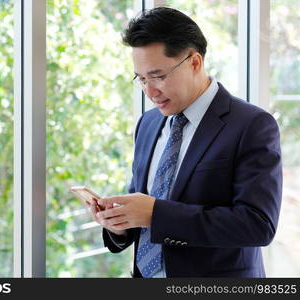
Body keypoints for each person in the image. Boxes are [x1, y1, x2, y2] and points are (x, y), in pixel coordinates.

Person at [87, 7, 282, 278]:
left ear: (194, 62)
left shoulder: (251, 125)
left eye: (158, 76)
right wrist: (118, 223)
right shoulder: (148, 124)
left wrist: (157, 214)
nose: (150, 91)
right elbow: (142, 212)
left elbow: (258, 225)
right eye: (141, 79)